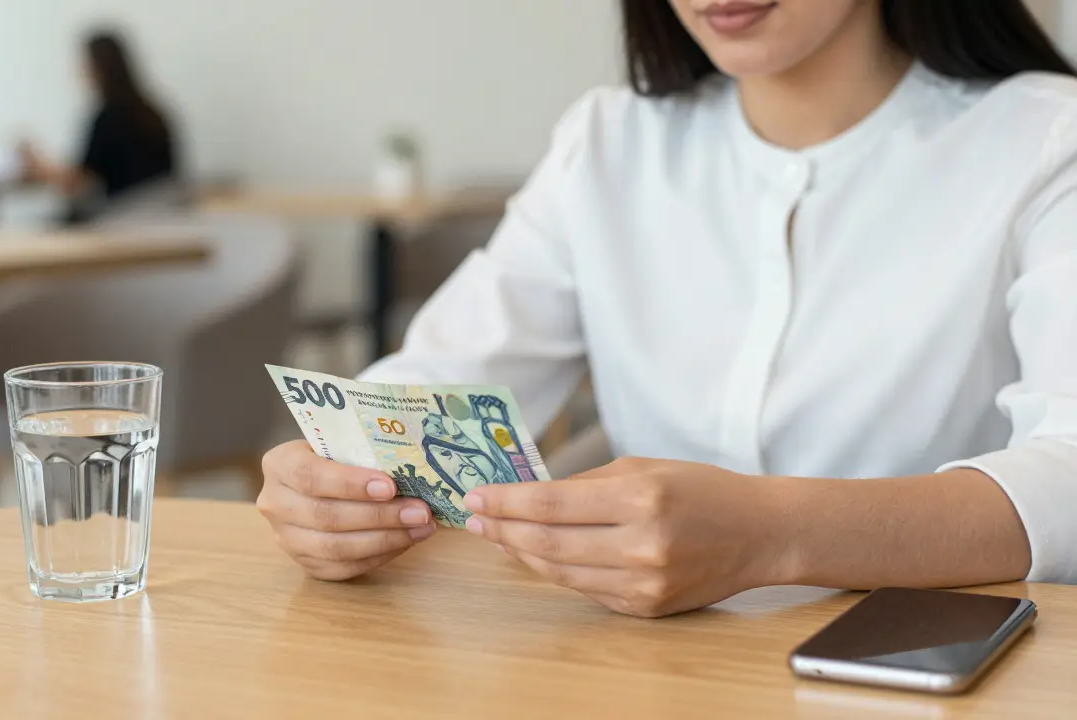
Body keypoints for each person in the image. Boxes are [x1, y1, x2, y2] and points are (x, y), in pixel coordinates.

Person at [257, 0, 1077, 619]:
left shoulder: (1045, 141)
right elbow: (424, 389)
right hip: (638, 679)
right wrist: (326, 481)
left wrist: (773, 533)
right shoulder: (609, 144)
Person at [19, 32, 177, 218]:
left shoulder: (108, 119)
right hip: (164, 214)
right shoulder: (152, 112)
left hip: (125, 219)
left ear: (97, 68)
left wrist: (42, 169)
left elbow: (77, 183)